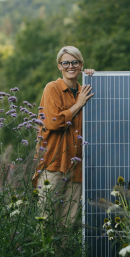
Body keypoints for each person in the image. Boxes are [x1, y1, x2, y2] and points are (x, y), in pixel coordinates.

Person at [34, 46, 95, 225]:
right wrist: (78, 104)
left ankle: (63, 254)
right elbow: (54, 122)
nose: (70, 66)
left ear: (81, 64)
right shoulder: (52, 88)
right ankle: (45, 255)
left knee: (68, 222)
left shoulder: (86, 91)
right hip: (53, 164)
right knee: (46, 220)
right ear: (59, 67)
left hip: (76, 168)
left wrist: (95, 78)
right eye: (65, 63)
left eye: (75, 62)